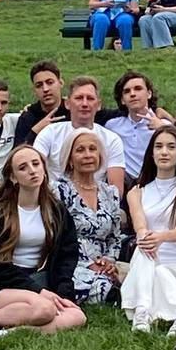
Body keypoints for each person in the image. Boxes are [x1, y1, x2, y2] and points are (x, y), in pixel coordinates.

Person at [0, 145, 86, 339]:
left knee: (77, 316)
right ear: (13, 177)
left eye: (36, 164)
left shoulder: (56, 210)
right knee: (45, 309)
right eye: (23, 167)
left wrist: (63, 293)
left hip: (39, 280)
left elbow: (67, 255)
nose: (32, 170)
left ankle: (4, 333)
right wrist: (38, 291)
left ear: (44, 169)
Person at [121, 126, 176, 335]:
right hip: (146, 258)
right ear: (152, 153)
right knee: (146, 251)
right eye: (158, 147)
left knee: (158, 268)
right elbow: (140, 226)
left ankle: (143, 310)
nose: (164, 152)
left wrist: (159, 237)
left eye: (171, 147)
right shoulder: (136, 192)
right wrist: (146, 236)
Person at [56, 130, 123, 305]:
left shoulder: (111, 192)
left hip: (104, 264)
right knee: (101, 285)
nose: (87, 155)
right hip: (71, 262)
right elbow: (58, 238)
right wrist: (89, 264)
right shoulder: (59, 191)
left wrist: (108, 261)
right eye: (80, 150)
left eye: (92, 149)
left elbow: (115, 238)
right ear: (70, 159)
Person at [32, 76, 125, 192]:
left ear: (98, 105)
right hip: (54, 198)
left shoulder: (112, 139)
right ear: (67, 103)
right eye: (79, 98)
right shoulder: (50, 133)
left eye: (90, 98)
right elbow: (34, 167)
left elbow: (116, 190)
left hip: (96, 198)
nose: (84, 103)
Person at [107, 70, 173, 183]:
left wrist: (163, 129)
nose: (132, 94)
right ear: (122, 100)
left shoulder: (164, 126)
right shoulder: (112, 126)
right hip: (126, 182)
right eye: (127, 91)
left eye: (138, 89)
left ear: (149, 94)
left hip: (156, 181)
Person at [14, 61, 71, 145]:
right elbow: (18, 150)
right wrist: (36, 130)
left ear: (61, 83)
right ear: (34, 90)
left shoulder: (73, 110)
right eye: (39, 85)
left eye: (50, 82)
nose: (45, 89)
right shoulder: (28, 116)